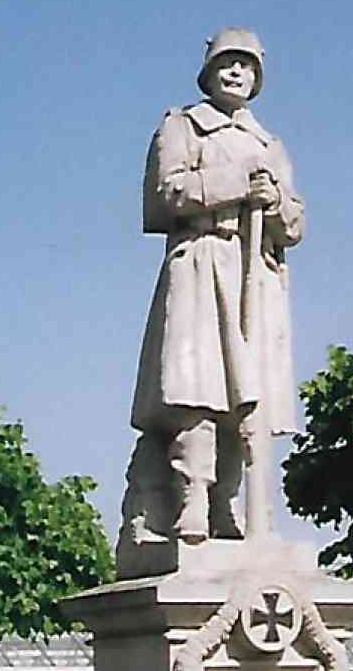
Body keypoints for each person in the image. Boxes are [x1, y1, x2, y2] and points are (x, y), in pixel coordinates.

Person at [119, 28, 304, 555]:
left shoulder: (270, 145)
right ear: (208, 71)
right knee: (197, 389)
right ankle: (192, 497)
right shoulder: (182, 127)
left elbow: (296, 224)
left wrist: (273, 203)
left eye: (246, 65)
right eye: (227, 62)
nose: (236, 72)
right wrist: (235, 183)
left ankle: (230, 502)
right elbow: (164, 197)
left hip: (254, 274)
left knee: (248, 401)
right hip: (202, 262)